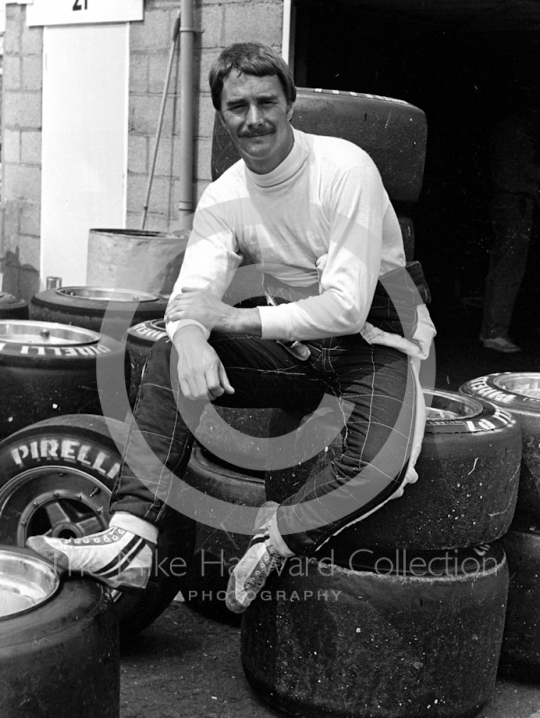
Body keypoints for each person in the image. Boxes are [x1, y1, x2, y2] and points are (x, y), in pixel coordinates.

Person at [27, 42, 436, 613]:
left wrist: (232, 317)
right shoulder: (224, 197)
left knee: (383, 465)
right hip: (295, 347)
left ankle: (277, 538)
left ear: (290, 103)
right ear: (222, 116)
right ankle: (128, 535)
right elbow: (191, 296)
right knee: (169, 354)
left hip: (375, 339)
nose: (254, 119)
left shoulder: (345, 169)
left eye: (266, 101)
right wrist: (192, 338)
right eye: (237, 107)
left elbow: (346, 307)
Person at [480, 101, 540, 353]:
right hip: (514, 203)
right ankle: (495, 331)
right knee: (508, 269)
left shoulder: (511, 130)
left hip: (512, 202)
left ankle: (494, 330)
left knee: (506, 269)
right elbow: (521, 172)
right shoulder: (514, 132)